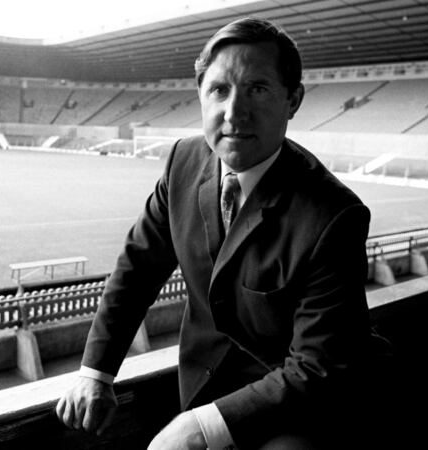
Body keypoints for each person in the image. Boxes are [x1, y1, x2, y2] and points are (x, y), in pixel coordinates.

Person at [57, 17, 382, 449]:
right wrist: (95, 372)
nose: (234, 113)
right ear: (201, 95)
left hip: (296, 406)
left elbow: (318, 365)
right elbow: (138, 269)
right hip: (202, 384)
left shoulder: (334, 216)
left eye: (257, 89)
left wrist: (201, 428)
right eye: (219, 90)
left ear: (293, 99)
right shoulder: (183, 162)